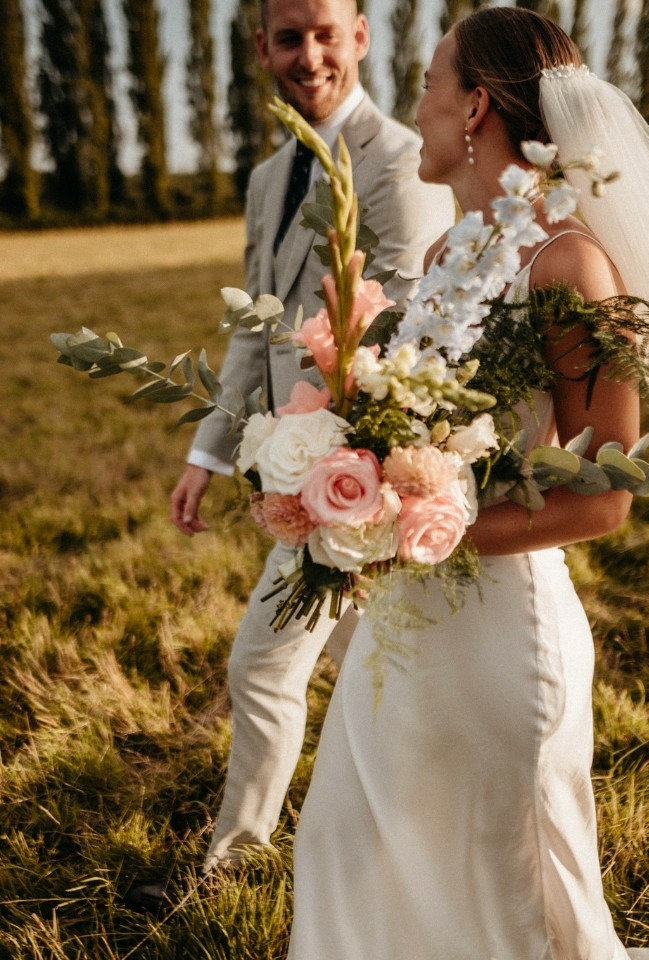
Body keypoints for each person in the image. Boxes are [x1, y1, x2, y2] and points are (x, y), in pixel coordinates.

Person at [286, 7, 649, 959]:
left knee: (496, 897)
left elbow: (605, 493)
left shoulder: (571, 265)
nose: (416, 105)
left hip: (500, 636)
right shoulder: (451, 257)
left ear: (476, 107)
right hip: (405, 631)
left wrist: (419, 528)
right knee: (345, 849)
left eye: (428, 83)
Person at [126, 0, 454, 911]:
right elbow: (250, 327)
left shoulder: (393, 159)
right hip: (290, 461)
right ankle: (383, 851)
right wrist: (212, 453)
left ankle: (233, 866)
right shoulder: (271, 171)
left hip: (358, 477)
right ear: (262, 48)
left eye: (323, 32)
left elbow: (404, 327)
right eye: (285, 37)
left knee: (262, 666)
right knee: (370, 665)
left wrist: (346, 472)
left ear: (360, 35)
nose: (306, 55)